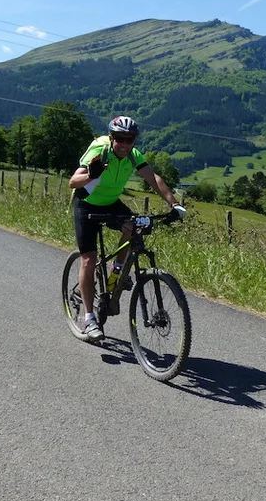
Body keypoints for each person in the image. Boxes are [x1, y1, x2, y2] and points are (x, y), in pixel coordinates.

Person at [68, 116, 186, 341]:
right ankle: (89, 319)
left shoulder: (133, 155)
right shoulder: (100, 151)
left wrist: (174, 204)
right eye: (120, 139)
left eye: (129, 139)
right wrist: (91, 175)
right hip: (86, 204)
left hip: (111, 203)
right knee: (89, 259)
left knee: (134, 227)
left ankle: (117, 271)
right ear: (111, 138)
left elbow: (153, 179)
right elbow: (73, 182)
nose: (124, 144)